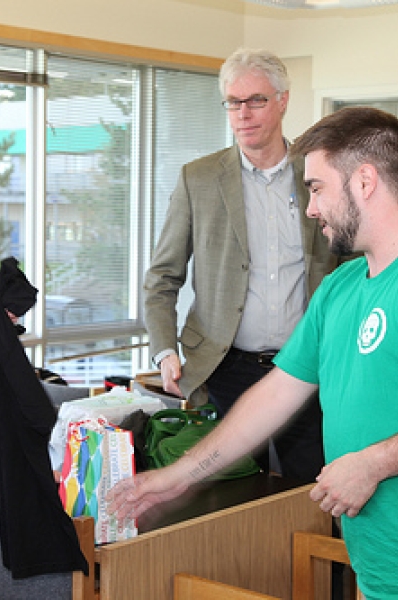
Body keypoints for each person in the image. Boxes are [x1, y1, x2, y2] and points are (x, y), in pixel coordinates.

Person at [110, 106, 398, 600]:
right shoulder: (340, 288)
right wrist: (177, 477)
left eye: (317, 187)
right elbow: (272, 399)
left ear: (365, 181)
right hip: (376, 567)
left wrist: (376, 462)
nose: (310, 208)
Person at [144, 47, 340, 481]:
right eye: (233, 102)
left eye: (256, 100)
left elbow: (349, 265)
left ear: (283, 100)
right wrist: (163, 352)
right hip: (222, 368)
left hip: (306, 366)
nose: (243, 114)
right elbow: (161, 278)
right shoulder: (198, 178)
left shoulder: (319, 175)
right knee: (227, 500)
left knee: (307, 492)